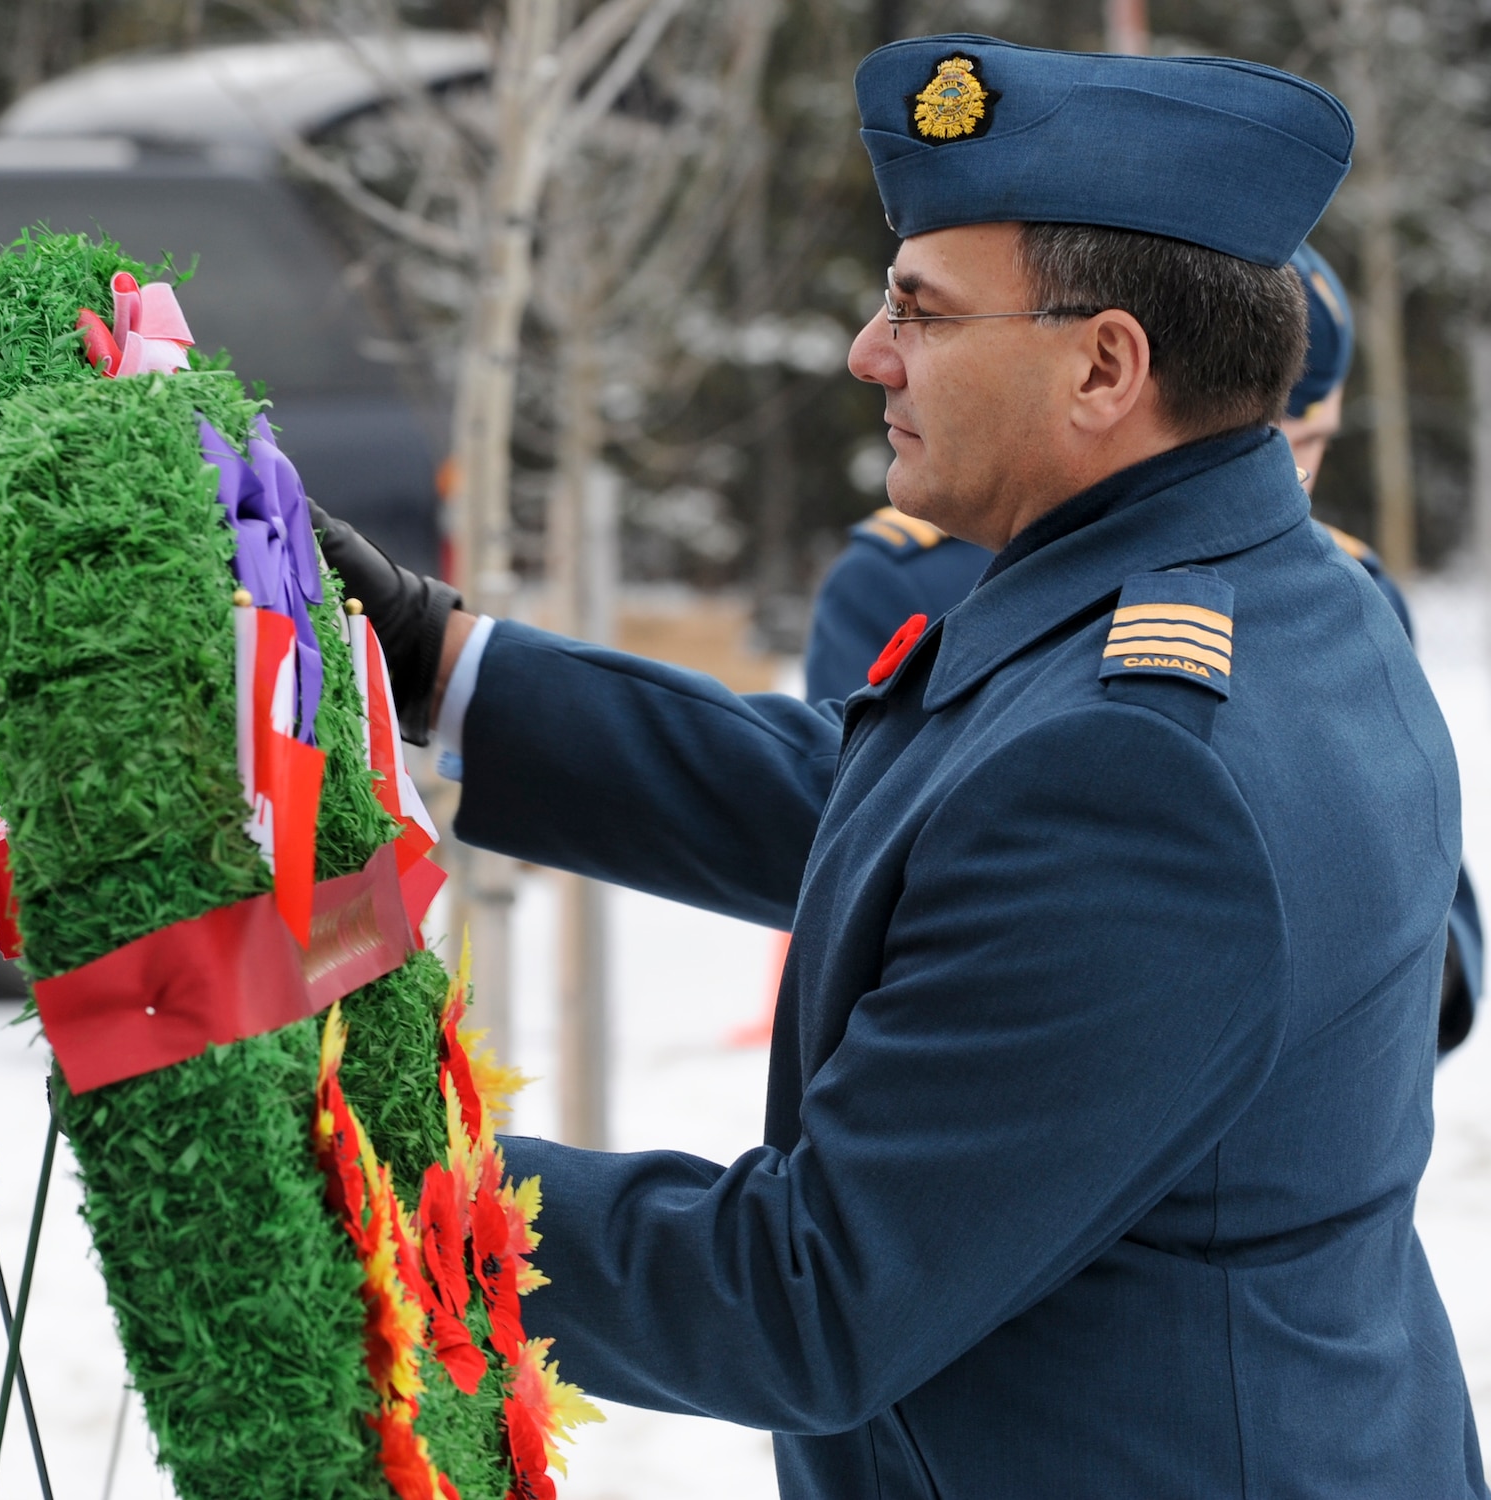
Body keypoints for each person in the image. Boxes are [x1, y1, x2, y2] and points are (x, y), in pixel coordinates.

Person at [316, 35, 1484, 1497]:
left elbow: (805, 1298)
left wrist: (359, 1173)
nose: (870, 352)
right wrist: (441, 664)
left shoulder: (1145, 763)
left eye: (920, 312)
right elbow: (905, 813)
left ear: (1104, 366)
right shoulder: (1262, 591)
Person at [804, 240, 1482, 1055]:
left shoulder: (1345, 597)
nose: (1280, 484)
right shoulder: (924, 563)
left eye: (1305, 446)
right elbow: (850, 825)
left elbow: (1432, 916)